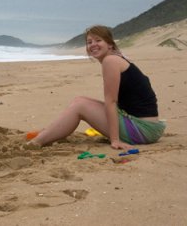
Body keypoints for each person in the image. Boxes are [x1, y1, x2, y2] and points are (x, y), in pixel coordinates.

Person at [28, 25, 166, 150]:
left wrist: (115, 140)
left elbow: (111, 101)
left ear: (110, 44)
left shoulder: (110, 61)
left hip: (142, 130)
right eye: (89, 42)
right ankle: (48, 134)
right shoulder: (117, 58)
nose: (93, 45)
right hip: (146, 126)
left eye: (98, 40)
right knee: (79, 100)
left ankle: (36, 142)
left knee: (80, 106)